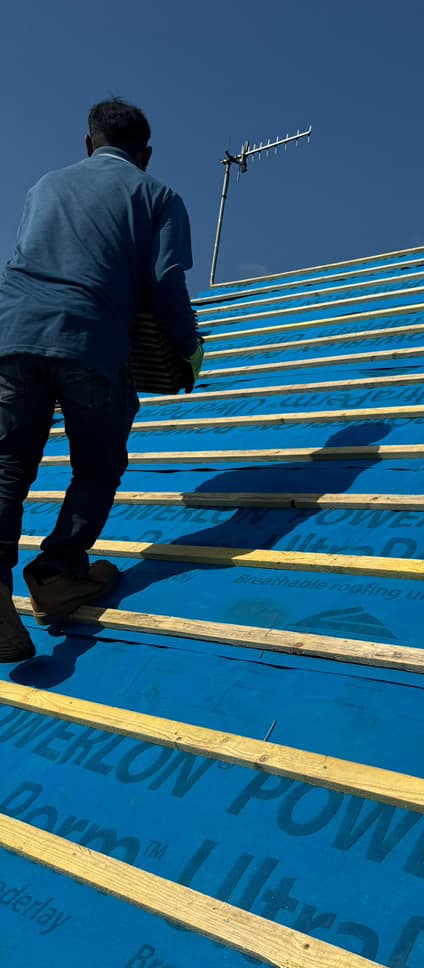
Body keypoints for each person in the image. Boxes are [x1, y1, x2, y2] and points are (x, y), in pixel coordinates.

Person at [0, 98, 204, 662]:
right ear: (146, 155)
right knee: (98, 462)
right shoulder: (158, 196)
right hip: (90, 339)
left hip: (13, 332)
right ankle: (59, 572)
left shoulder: (44, 186)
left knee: (8, 465)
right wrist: (188, 351)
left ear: (89, 145)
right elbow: (166, 283)